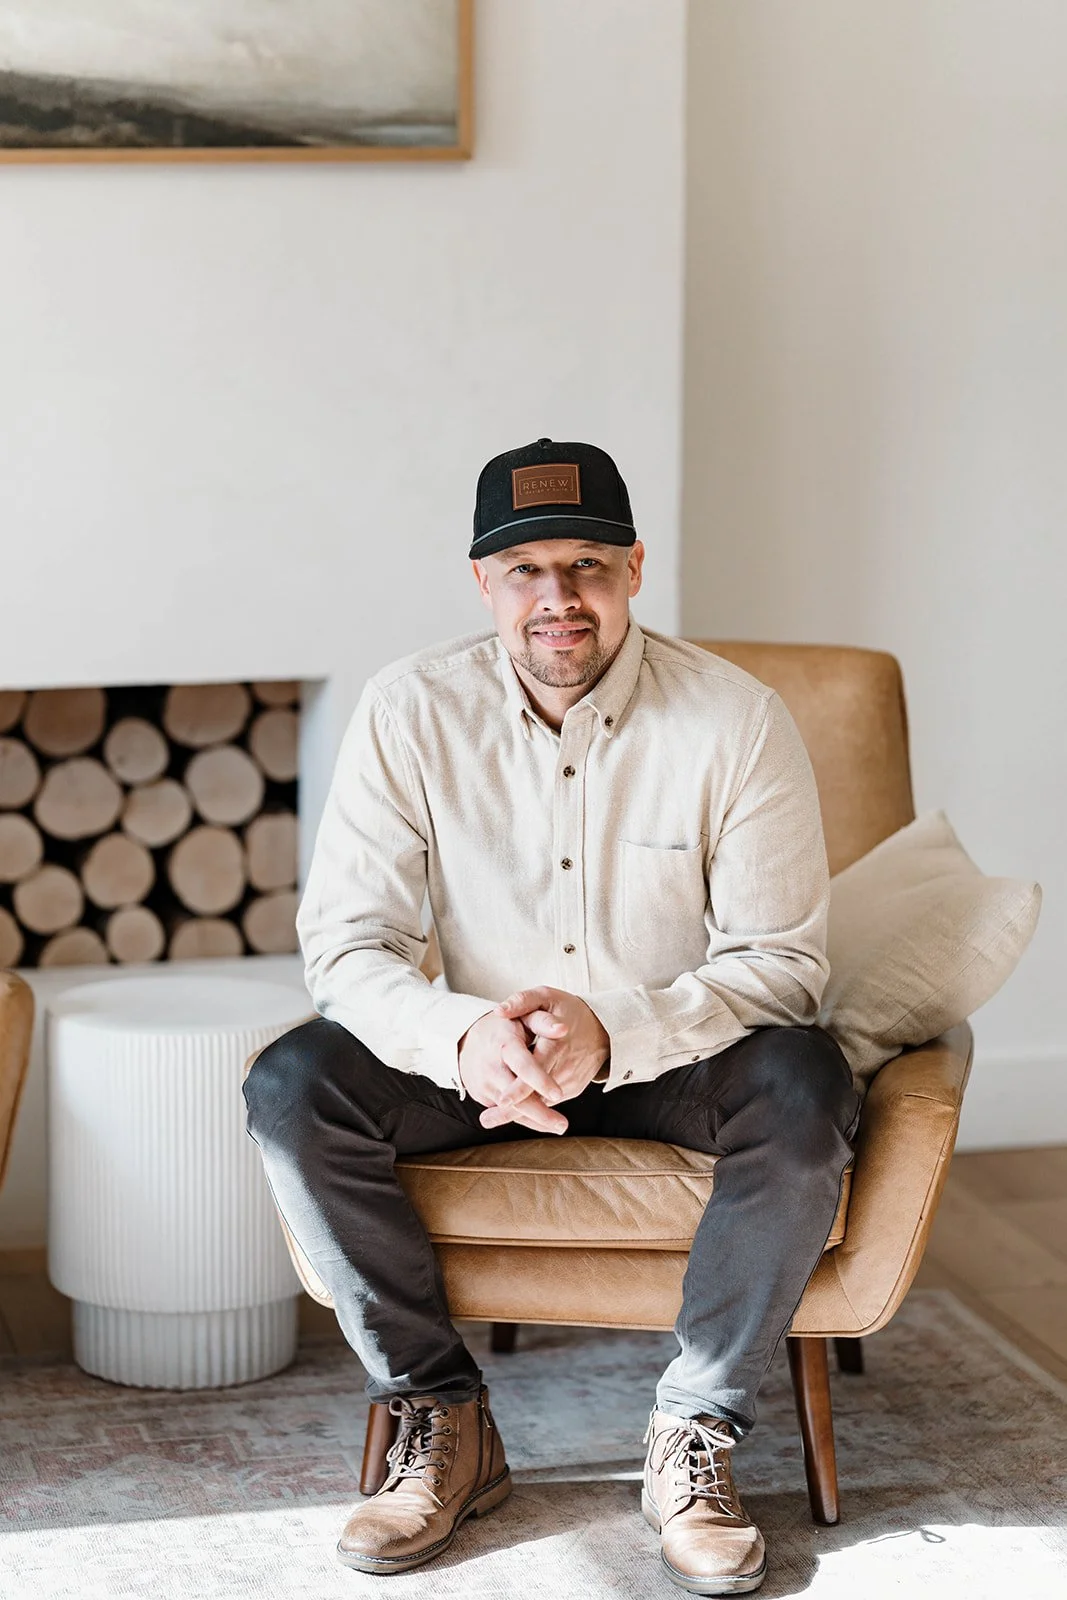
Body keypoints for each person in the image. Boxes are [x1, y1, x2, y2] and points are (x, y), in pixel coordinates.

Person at [243, 437, 860, 1595]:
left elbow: (780, 964)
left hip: (672, 1050)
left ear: (633, 568)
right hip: (474, 1056)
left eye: (584, 564)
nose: (557, 598)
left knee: (806, 1079)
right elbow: (347, 945)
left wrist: (611, 1031)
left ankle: (696, 1430)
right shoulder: (405, 712)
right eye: (524, 568)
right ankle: (440, 1412)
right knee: (290, 1083)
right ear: (483, 583)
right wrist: (461, 1037)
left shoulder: (736, 719)